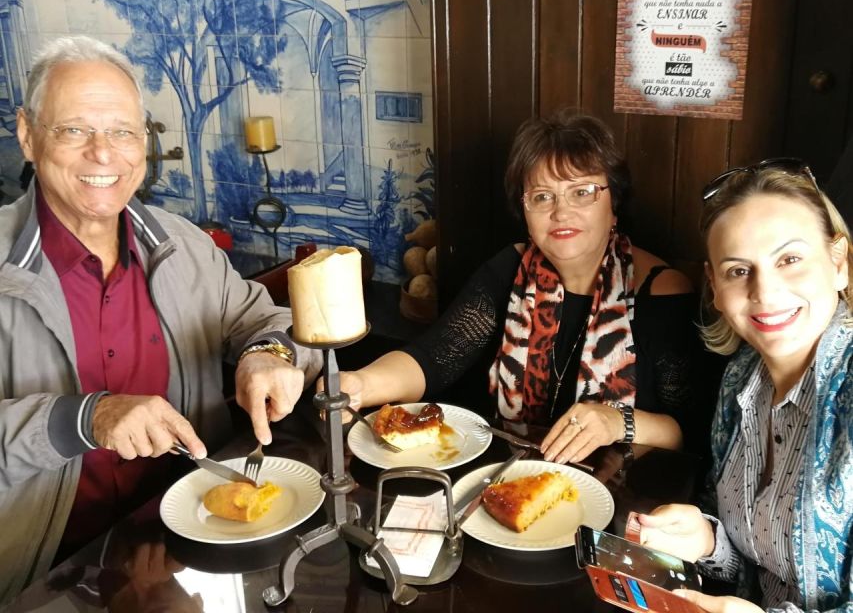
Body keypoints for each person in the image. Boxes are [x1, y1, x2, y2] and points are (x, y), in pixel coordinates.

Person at [0, 36, 321, 603]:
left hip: (199, 542)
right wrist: (84, 418)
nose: (104, 154)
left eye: (123, 131)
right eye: (75, 130)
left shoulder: (183, 246)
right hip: (46, 575)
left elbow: (270, 321)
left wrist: (269, 354)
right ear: (28, 134)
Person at [335, 111, 704, 464]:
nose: (561, 212)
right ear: (525, 212)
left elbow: (687, 431)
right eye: (542, 196)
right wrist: (360, 385)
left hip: (619, 498)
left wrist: (615, 421)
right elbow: (434, 359)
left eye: (582, 192)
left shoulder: (662, 290)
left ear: (614, 203)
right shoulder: (511, 267)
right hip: (514, 478)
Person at [637, 160, 853, 612]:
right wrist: (708, 540)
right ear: (714, 286)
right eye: (738, 270)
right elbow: (755, 568)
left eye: (790, 260)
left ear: (840, 265)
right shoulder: (742, 377)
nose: (766, 291)